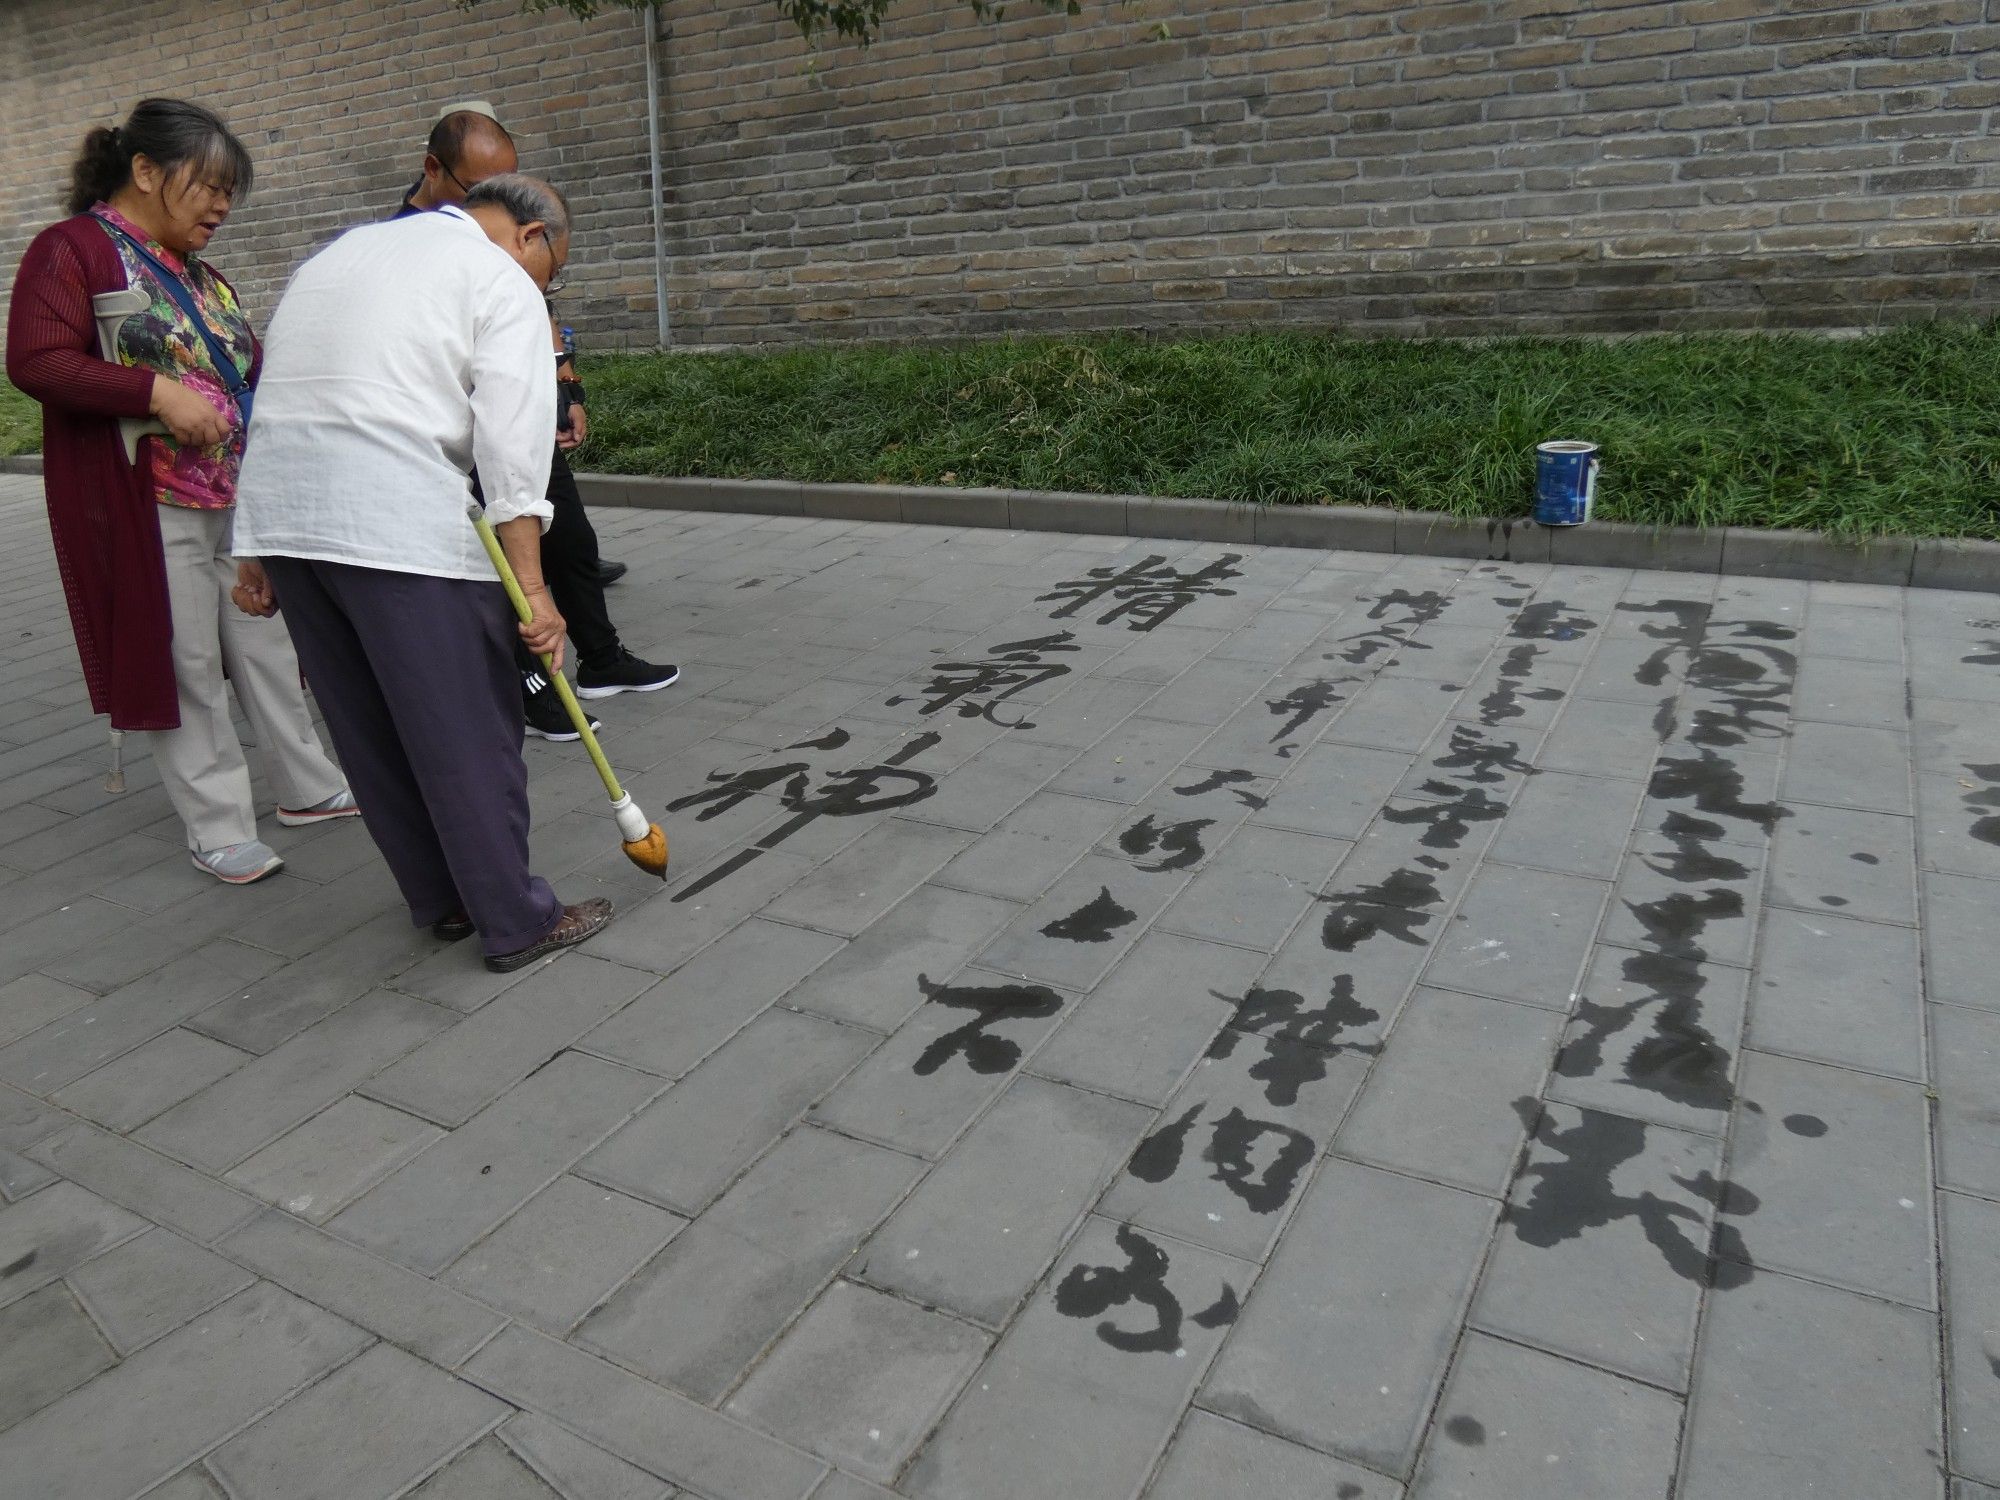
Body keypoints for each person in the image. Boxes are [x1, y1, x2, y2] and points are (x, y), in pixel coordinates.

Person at [231, 174, 611, 972]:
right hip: (395, 523)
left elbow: (274, 398)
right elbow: (515, 446)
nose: (548, 291)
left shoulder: (343, 250)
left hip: (294, 523)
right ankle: (514, 919)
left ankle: (442, 899)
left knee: (369, 727)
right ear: (532, 237)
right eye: (556, 273)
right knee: (465, 728)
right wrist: (535, 590)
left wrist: (254, 544)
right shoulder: (499, 277)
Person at [5, 98, 357, 885]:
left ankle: (306, 784)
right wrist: (157, 395)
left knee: (269, 643)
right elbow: (35, 360)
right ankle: (218, 823)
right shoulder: (73, 251)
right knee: (187, 658)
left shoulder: (199, 274)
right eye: (210, 187)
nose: (223, 206)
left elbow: (249, 365)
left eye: (232, 191)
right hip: (145, 500)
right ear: (144, 171)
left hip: (237, 494)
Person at [398, 105, 676, 743]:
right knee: (507, 560)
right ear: (435, 172)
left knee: (571, 540)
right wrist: (531, 584)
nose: (495, 201)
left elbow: (540, 314)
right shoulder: (412, 244)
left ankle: (601, 658)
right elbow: (491, 437)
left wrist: (565, 385)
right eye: (479, 189)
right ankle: (528, 685)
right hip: (460, 437)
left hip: (517, 410)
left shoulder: (507, 241)